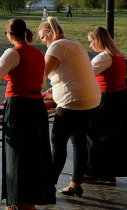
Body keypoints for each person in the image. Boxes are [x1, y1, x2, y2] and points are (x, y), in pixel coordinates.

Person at [0, 19, 55, 210]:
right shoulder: (37, 52)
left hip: (20, 106)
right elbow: (42, 82)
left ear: (10, 35)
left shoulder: (12, 52)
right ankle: (30, 203)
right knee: (35, 154)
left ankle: (21, 202)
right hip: (36, 106)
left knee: (18, 154)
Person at [38, 17, 101, 197]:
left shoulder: (57, 46)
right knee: (79, 141)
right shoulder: (73, 43)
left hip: (72, 99)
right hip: (90, 98)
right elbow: (71, 72)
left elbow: (41, 74)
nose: (42, 41)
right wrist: (53, 91)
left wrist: (32, 91)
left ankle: (48, 185)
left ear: (50, 33)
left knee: (57, 141)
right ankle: (76, 184)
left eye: (42, 37)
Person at [85, 27, 127, 184]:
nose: (90, 45)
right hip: (120, 98)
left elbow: (85, 76)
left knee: (95, 135)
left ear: (99, 40)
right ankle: (107, 173)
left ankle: (94, 171)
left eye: (91, 41)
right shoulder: (118, 55)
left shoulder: (104, 58)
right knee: (112, 138)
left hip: (107, 100)